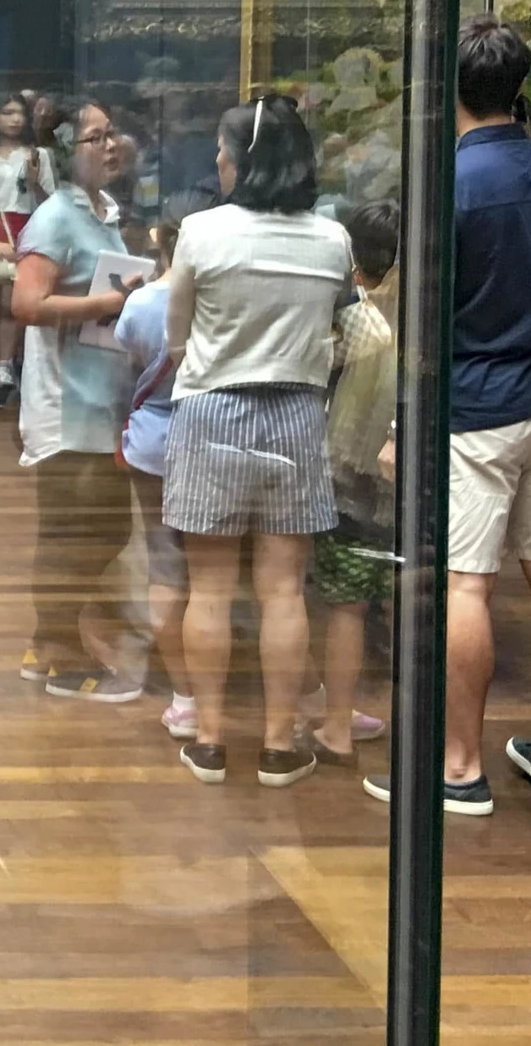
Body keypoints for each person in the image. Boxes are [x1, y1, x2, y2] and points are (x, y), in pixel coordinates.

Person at [365, 18, 531, 816]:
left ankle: (459, 764)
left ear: (446, 90)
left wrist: (400, 421)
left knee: (468, 584)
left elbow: (422, 321)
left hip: (476, 407)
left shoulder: (445, 187)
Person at [165, 93, 350, 788]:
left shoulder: (202, 232)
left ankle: (210, 738)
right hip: (297, 415)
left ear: (241, 161)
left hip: (211, 409)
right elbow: (336, 328)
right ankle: (278, 742)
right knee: (283, 592)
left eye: (223, 150)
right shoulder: (331, 239)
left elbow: (176, 335)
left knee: (208, 590)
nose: (217, 160)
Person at [10, 98, 140, 703]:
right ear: (68, 153)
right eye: (96, 137)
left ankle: (49, 642)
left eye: (112, 132)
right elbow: (28, 306)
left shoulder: (104, 211)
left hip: (99, 397)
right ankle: (59, 653)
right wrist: (108, 305)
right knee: (73, 531)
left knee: (100, 529)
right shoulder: (56, 216)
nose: (111, 144)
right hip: (64, 402)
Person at [114, 188, 214, 741]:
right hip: (214, 433)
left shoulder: (143, 304)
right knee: (221, 572)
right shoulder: (222, 298)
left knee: (165, 563)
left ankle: (184, 697)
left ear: (161, 238)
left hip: (155, 437)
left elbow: (128, 360)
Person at [306, 200, 400, 767]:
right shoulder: (416, 315)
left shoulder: (359, 318)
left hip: (346, 477)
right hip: (397, 484)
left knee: (341, 605)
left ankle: (335, 722)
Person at [0, 96, 54, 408]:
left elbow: (50, 201)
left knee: (14, 305)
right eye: (6, 112)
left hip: (25, 230)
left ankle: (7, 367)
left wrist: (36, 182)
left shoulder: (38, 155)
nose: (14, 120)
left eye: (19, 113)